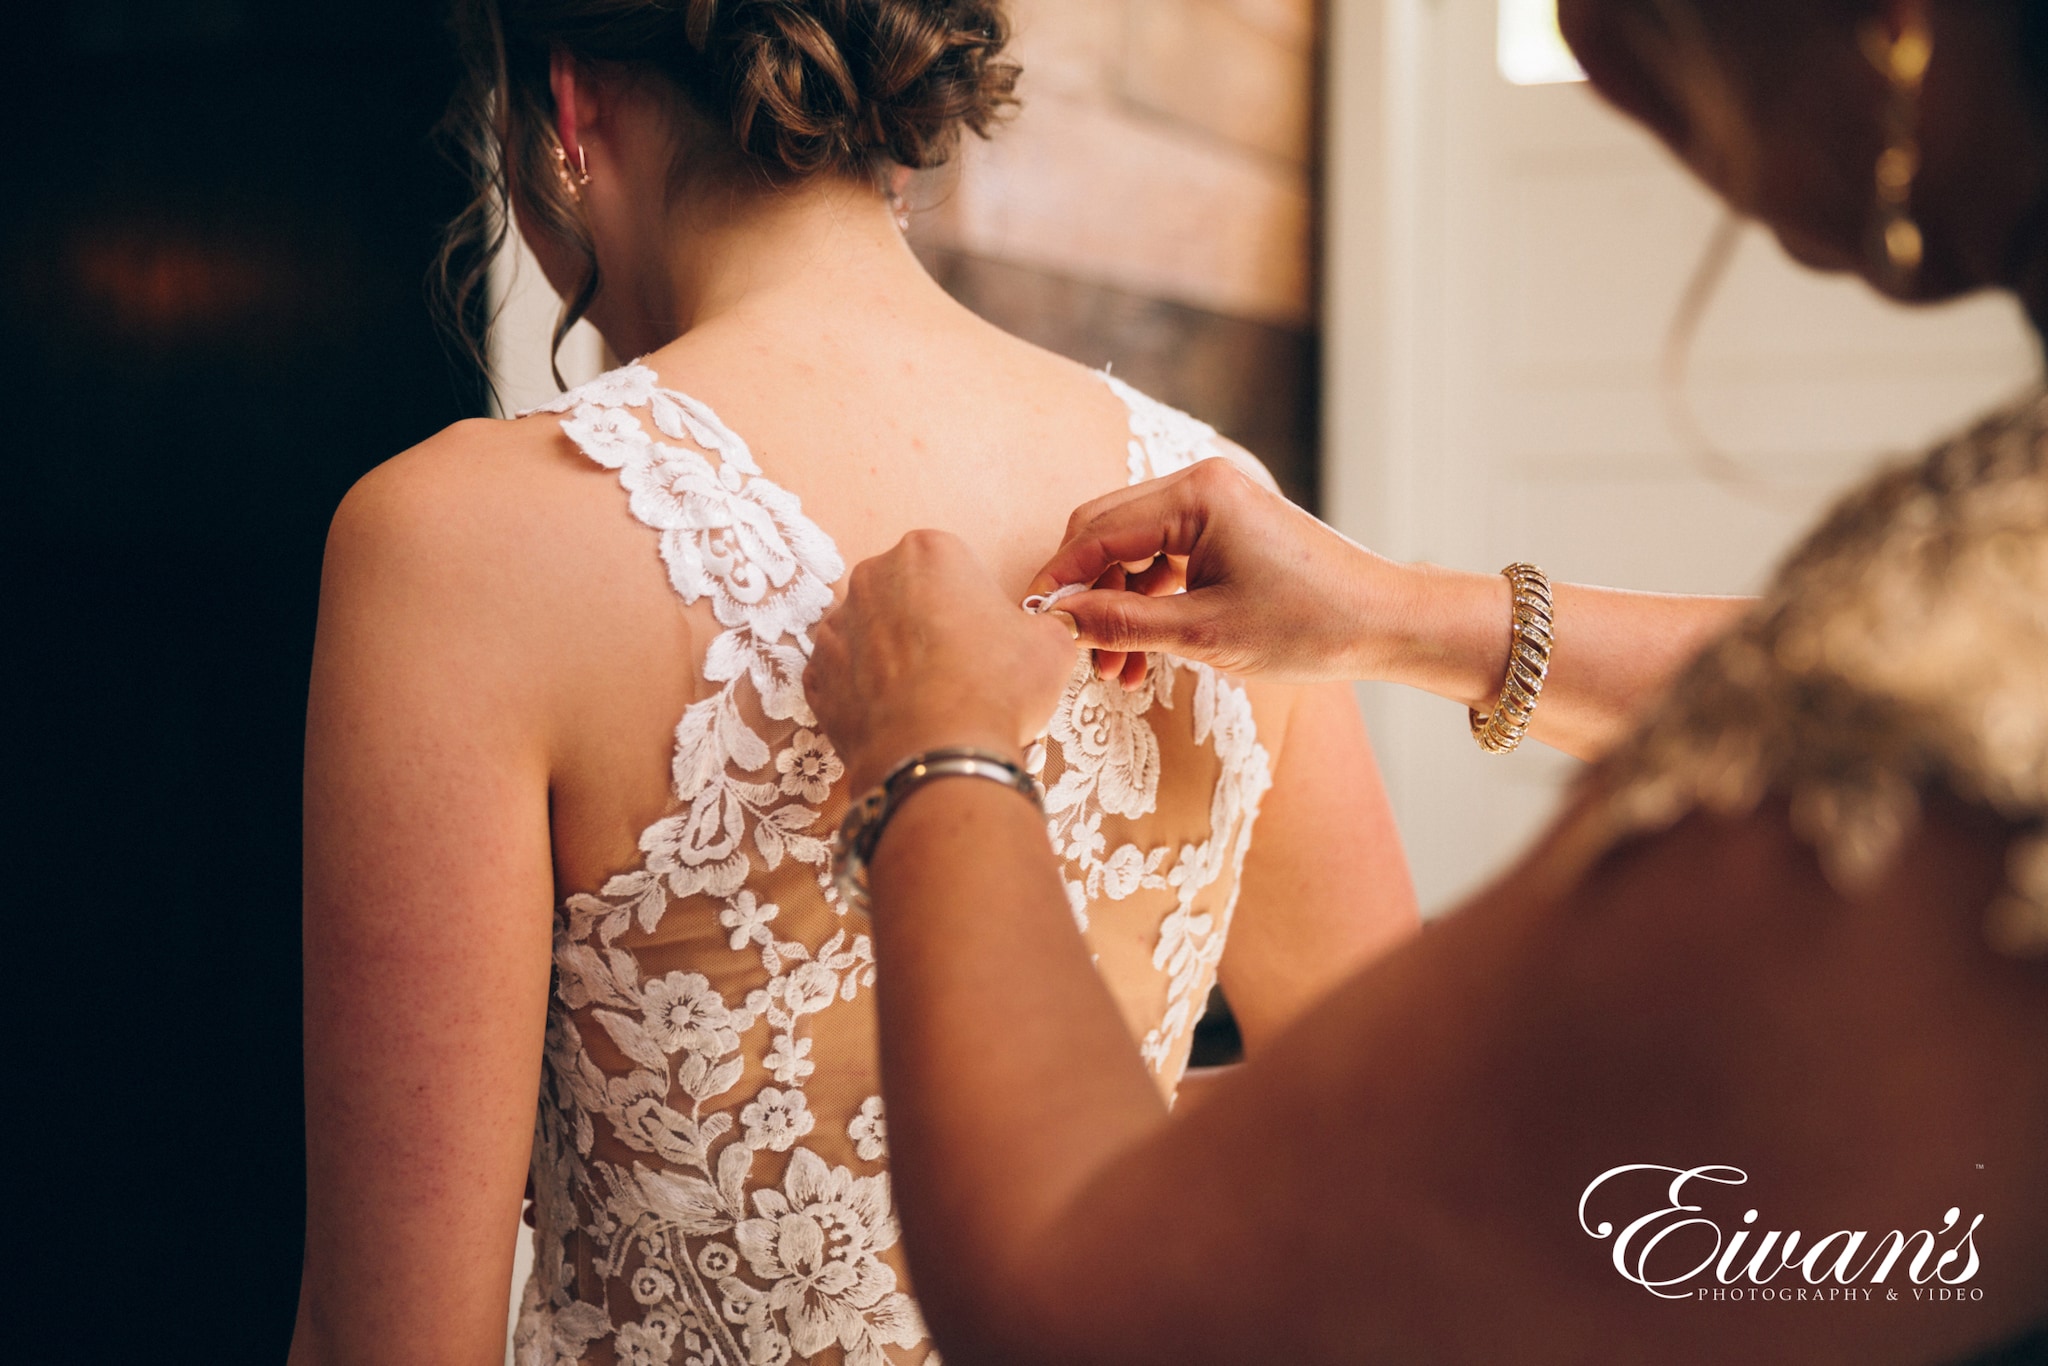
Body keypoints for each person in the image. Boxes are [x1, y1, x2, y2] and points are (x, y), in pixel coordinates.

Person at [800, 0, 2048, 1362]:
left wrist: (942, 751)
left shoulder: (1933, 794)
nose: (1595, 62)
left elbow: (1076, 1302)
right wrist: (1396, 615)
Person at [290, 4, 1442, 1364]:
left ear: (562, 105)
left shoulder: (452, 545)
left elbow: (392, 1340)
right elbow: (1406, 1146)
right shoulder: (1219, 516)